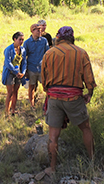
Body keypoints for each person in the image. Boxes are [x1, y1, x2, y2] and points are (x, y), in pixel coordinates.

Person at [41, 26, 96, 175]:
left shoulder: (49, 53)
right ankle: (92, 162)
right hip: (74, 98)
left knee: (53, 135)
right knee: (85, 128)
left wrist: (49, 91)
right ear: (72, 37)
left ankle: (52, 168)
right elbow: (89, 78)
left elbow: (43, 79)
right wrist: (89, 92)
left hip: (54, 97)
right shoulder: (81, 53)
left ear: (58, 37)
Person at [23, 23, 49, 108]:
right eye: (37, 30)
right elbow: (24, 57)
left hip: (42, 68)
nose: (39, 31)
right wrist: (25, 70)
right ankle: (32, 104)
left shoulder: (44, 41)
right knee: (32, 87)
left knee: (46, 86)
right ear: (32, 31)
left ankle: (48, 104)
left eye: (40, 30)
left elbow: (47, 53)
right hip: (31, 68)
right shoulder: (27, 43)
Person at [1, 31, 26, 116]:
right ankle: (6, 112)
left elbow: (24, 62)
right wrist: (16, 72)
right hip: (10, 73)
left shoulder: (22, 49)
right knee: (10, 92)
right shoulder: (9, 49)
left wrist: (23, 72)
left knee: (16, 92)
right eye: (20, 39)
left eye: (22, 40)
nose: (21, 41)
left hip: (18, 73)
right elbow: (7, 63)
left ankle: (13, 110)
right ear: (15, 39)